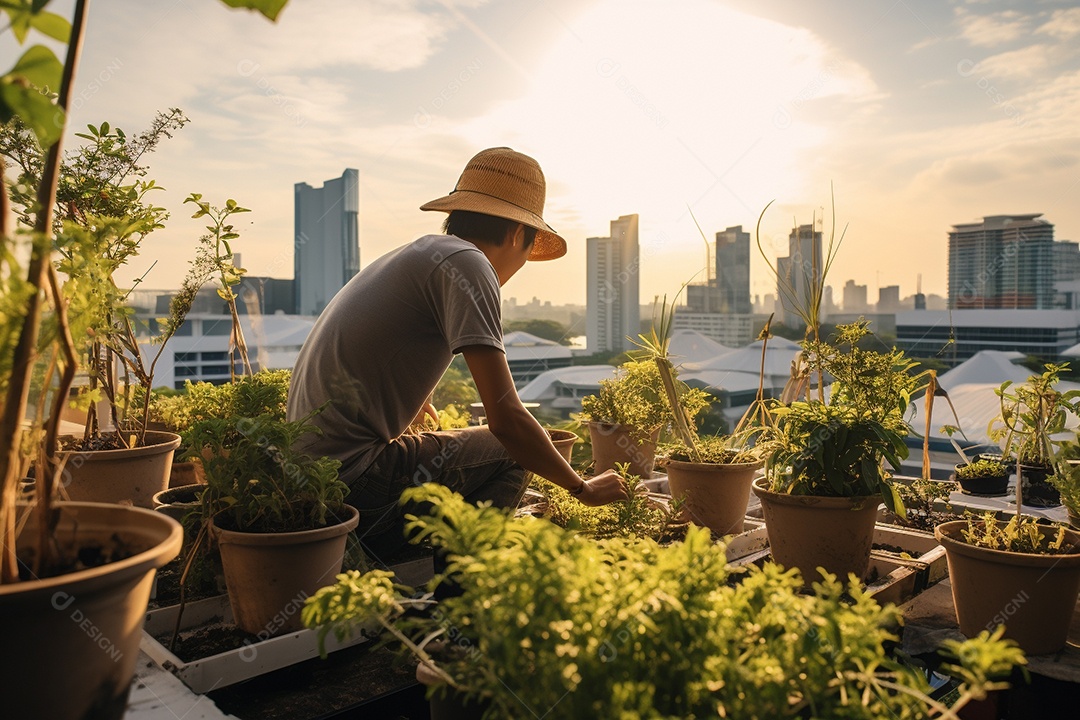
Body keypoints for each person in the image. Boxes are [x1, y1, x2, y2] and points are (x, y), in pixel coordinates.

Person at [287, 147, 629, 556]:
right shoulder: (470, 264)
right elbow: (507, 420)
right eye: (527, 252)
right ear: (518, 234)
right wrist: (582, 488)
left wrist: (415, 401)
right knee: (512, 452)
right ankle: (459, 585)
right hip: (355, 484)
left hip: (311, 480)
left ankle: (412, 565)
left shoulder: (421, 254)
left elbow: (393, 345)